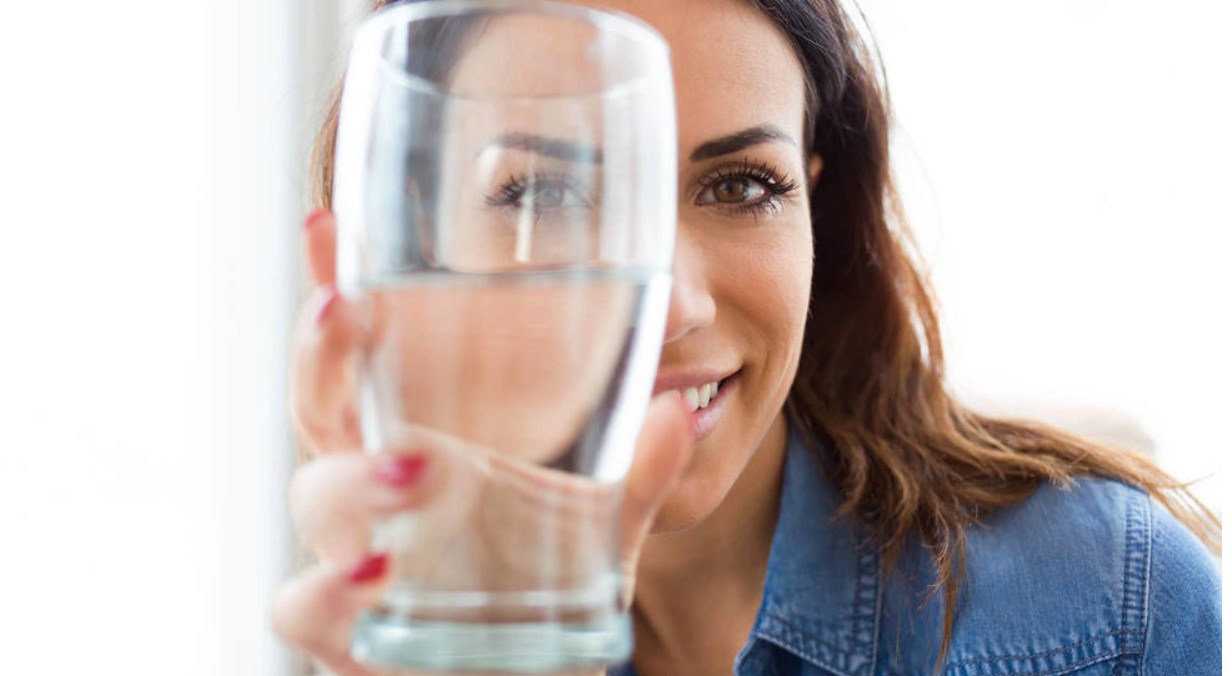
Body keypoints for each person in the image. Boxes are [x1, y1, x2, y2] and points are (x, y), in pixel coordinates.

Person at [273, 0, 1222, 673]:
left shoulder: (1109, 614)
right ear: (411, 231)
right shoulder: (413, 632)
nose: (670, 302)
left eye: (739, 187)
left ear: (817, 199)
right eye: (549, 193)